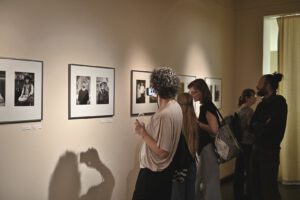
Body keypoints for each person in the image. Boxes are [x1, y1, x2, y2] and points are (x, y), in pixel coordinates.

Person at [132, 67, 183, 200]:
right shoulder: (176, 107)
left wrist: (143, 133)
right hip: (164, 173)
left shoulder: (165, 114)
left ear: (157, 88)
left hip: (153, 175)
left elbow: (162, 151)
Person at [249, 72, 288, 200]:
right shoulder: (261, 104)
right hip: (257, 150)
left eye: (260, 83)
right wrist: (261, 124)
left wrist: (259, 126)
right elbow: (252, 126)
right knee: (256, 187)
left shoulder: (279, 102)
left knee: (269, 189)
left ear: (268, 85)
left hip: (269, 152)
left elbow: (270, 128)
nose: (257, 86)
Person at [188, 79, 222, 200]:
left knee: (210, 181)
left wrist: (197, 123)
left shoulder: (206, 106)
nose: (192, 95)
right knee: (206, 179)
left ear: (202, 91)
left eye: (195, 92)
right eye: (191, 92)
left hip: (208, 148)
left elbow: (214, 129)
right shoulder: (206, 105)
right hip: (206, 148)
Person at [171, 93, 199, 200]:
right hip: (191, 164)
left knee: (178, 196)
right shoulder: (195, 122)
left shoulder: (176, 122)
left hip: (179, 167)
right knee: (190, 195)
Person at [233, 89, 256, 200]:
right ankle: (250, 195)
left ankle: (238, 194)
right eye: (253, 96)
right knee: (249, 170)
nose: (255, 98)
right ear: (247, 98)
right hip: (248, 144)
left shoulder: (239, 109)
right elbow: (252, 128)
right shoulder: (249, 111)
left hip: (240, 143)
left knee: (239, 170)